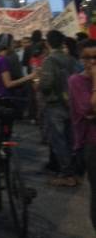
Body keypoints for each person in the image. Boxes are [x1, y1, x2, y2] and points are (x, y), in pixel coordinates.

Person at [39, 29, 80, 187]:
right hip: (70, 103)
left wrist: (39, 85)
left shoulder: (49, 60)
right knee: (70, 139)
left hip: (55, 104)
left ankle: (66, 174)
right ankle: (74, 172)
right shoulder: (70, 59)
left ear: (48, 42)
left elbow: (46, 84)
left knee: (58, 140)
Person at [69, 40, 96, 228]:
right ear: (81, 59)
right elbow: (88, 108)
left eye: (95, 57)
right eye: (87, 58)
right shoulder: (76, 81)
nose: (92, 62)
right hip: (91, 143)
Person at [0, 34, 35, 137]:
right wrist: (29, 77)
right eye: (12, 43)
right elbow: (8, 83)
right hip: (5, 98)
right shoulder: (3, 60)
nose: (14, 45)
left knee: (1, 131)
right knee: (6, 131)